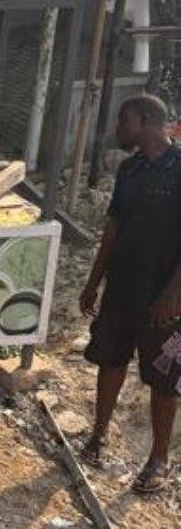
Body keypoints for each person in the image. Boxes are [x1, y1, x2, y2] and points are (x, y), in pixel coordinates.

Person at [78, 93, 181, 495]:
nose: (118, 130)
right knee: (110, 360)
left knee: (165, 379)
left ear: (143, 121)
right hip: (122, 289)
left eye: (123, 121)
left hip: (166, 301)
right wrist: (92, 282)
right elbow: (113, 229)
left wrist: (173, 293)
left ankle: (159, 458)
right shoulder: (129, 170)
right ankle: (98, 435)